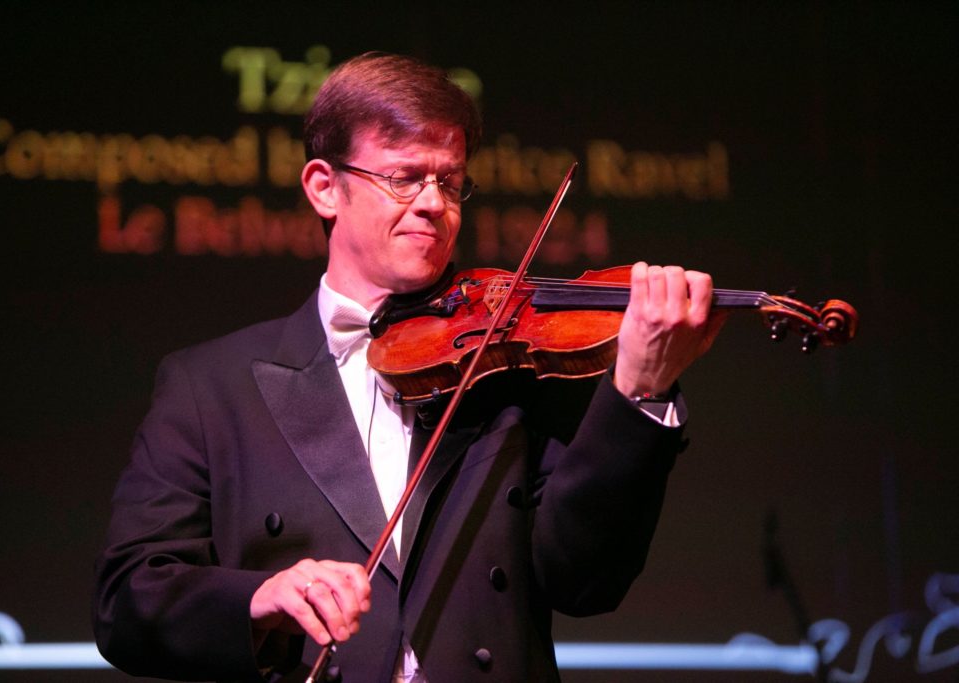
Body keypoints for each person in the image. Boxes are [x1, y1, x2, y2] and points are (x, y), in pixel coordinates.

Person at [93, 52, 725, 682]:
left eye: (449, 182)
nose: (432, 203)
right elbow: (128, 601)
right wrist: (259, 600)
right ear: (324, 186)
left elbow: (586, 582)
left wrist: (640, 389)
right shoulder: (211, 387)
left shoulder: (508, 366)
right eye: (403, 178)